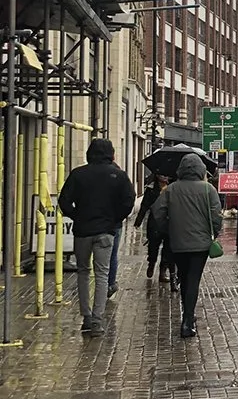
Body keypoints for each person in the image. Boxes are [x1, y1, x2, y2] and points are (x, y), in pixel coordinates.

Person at [58, 138, 136, 334]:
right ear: (111, 154)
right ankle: (97, 320)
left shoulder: (78, 174)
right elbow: (129, 201)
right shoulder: (118, 176)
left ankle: (86, 316)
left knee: (83, 272)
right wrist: (114, 218)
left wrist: (78, 216)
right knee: (102, 274)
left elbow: (64, 201)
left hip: (82, 231)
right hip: (106, 232)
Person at [150, 153, 222, 337]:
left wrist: (169, 228)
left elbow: (157, 213)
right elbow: (216, 217)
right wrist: (213, 232)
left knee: (183, 277)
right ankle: (188, 320)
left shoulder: (171, 189)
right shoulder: (209, 190)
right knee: (193, 279)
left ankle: (187, 315)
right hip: (201, 244)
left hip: (178, 243)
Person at [134, 173, 177, 287]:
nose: (164, 177)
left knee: (168, 249)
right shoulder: (151, 188)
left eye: (166, 175)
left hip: (169, 222)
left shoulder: (173, 187)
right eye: (161, 175)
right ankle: (151, 262)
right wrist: (139, 219)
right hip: (155, 222)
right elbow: (144, 205)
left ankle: (162, 272)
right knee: (153, 245)